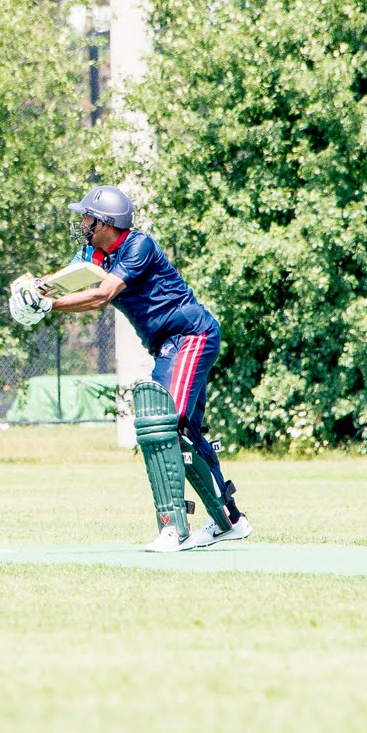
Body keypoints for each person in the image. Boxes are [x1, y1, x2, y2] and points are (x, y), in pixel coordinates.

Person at [33, 185, 250, 553]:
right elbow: (63, 281)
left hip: (191, 335)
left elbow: (102, 295)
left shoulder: (138, 247)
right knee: (181, 431)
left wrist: (48, 306)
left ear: (105, 223)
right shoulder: (94, 253)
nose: (82, 223)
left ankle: (175, 530)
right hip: (170, 345)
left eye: (87, 217)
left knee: (162, 423)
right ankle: (229, 520)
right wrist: (34, 291)